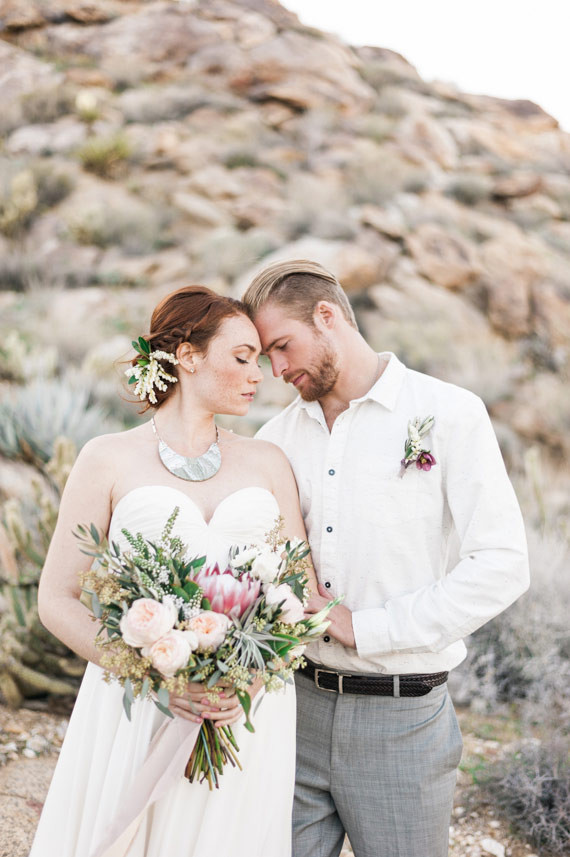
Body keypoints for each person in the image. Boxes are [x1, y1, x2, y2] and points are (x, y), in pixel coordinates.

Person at [242, 260, 530, 857]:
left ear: (327, 317)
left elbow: (502, 563)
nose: (277, 369)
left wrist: (364, 627)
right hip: (292, 712)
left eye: (282, 347)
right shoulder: (273, 438)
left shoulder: (450, 414)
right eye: (265, 356)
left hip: (402, 722)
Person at [32, 285, 316, 857]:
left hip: (243, 708)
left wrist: (246, 680)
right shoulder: (107, 458)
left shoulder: (267, 461)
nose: (257, 375)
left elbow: (302, 594)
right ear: (187, 356)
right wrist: (155, 669)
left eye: (260, 361)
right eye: (241, 358)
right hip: (137, 704)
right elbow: (56, 598)